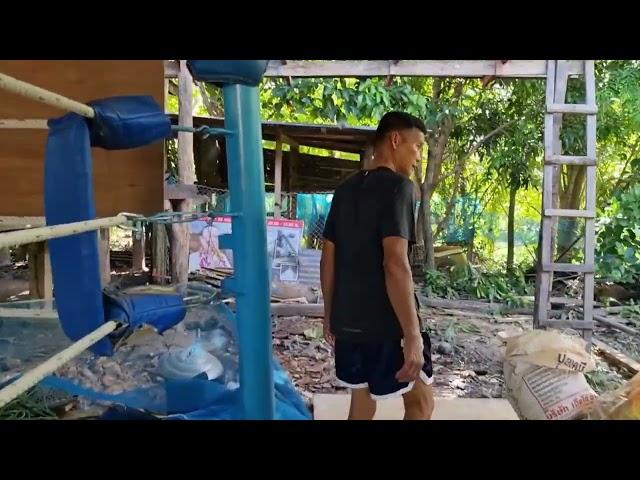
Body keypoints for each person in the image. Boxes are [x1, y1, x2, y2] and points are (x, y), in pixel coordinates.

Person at [320, 111, 434, 420]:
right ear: (396, 140)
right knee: (420, 404)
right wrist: (412, 334)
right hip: (387, 325)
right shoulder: (400, 188)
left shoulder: (344, 191)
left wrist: (330, 314)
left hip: (348, 325)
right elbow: (395, 263)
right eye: (418, 146)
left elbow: (328, 255)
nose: (418, 157)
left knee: (361, 405)